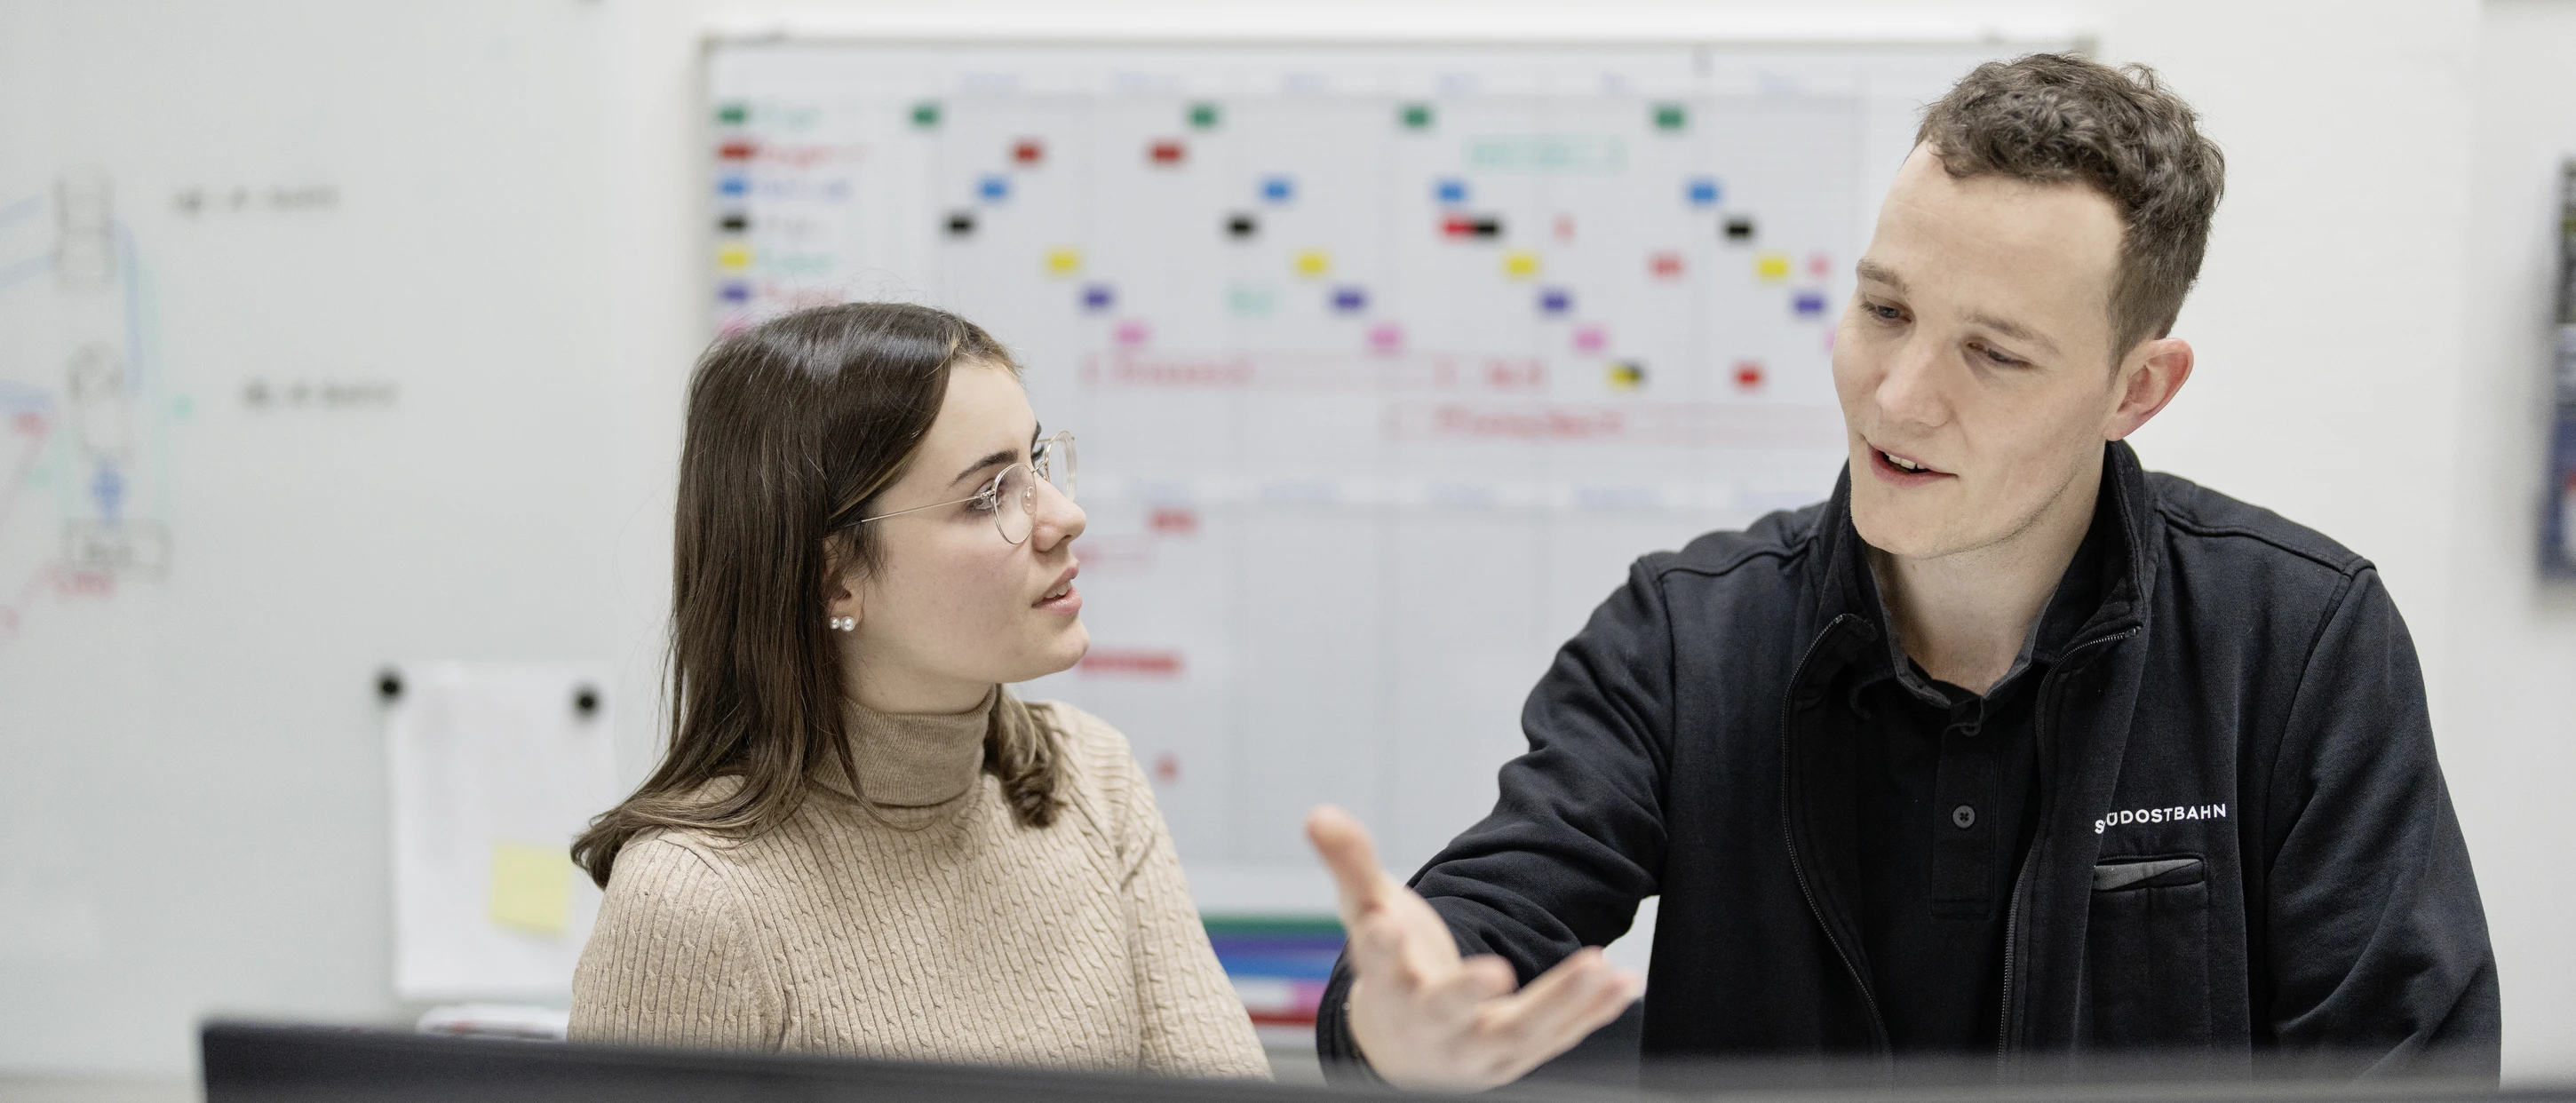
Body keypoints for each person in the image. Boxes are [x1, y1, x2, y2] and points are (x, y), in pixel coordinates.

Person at [1305, 53, 2500, 1089]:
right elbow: (1479, 921)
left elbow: (2408, 1064)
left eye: (1993, 352)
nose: (1900, 396)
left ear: (2137, 389)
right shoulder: (1684, 636)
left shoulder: (2297, 639)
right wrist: (1401, 1023)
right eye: (1884, 309)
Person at [567, 303, 1268, 1078]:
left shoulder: (1091, 779)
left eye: (1034, 464)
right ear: (835, 578)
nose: (1065, 517)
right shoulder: (695, 899)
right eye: (988, 495)